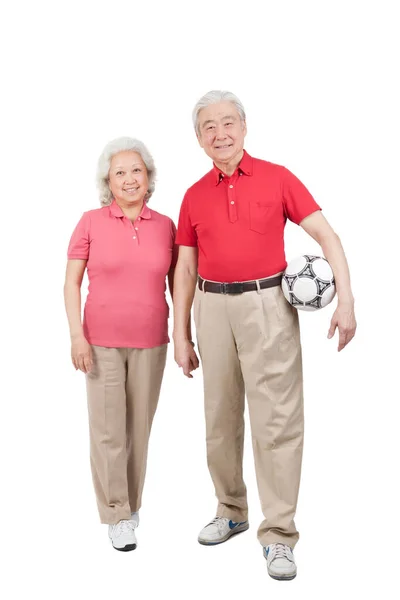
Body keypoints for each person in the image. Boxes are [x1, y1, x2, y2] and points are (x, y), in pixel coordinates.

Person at [173, 91, 356, 580]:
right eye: (208, 127)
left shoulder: (277, 177)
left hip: (268, 305)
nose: (220, 133)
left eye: (228, 122)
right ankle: (231, 510)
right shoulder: (192, 195)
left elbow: (326, 235)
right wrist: (180, 333)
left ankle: (278, 535)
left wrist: (347, 300)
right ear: (198, 138)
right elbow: (185, 269)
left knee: (276, 420)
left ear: (245, 126)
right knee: (220, 417)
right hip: (211, 308)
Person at [64, 137, 177, 551]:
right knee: (109, 431)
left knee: (138, 431)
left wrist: (183, 335)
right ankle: (116, 513)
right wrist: (77, 335)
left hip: (151, 340)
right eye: (120, 173)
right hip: (101, 343)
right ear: (107, 181)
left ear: (148, 177)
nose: (130, 179)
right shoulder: (90, 222)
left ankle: (130, 505)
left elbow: (177, 285)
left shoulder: (165, 225)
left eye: (137, 171)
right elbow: (71, 282)